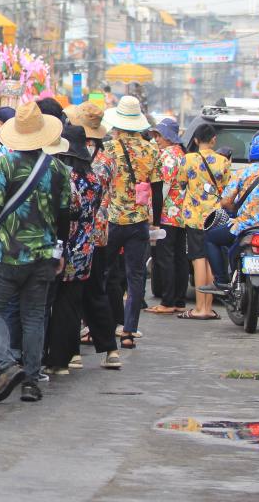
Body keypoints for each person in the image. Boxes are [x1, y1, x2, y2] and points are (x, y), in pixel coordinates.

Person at [0, 102, 72, 405]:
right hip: (43, 254)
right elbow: (64, 215)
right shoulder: (58, 170)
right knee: (34, 317)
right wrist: (60, 250)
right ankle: (32, 383)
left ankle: (7, 364)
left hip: (6, 253)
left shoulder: (5, 165)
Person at [200, 131, 259, 330]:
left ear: (252, 149)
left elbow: (226, 201)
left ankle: (221, 281)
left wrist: (233, 209)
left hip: (244, 228)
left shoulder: (242, 173)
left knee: (210, 238)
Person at [45, 125, 121, 373]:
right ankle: (67, 358)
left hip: (62, 245)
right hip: (86, 246)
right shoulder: (93, 179)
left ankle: (58, 358)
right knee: (73, 303)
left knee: (56, 304)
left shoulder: (64, 178)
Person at [101, 96, 162, 351]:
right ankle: (128, 331)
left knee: (105, 273)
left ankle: (104, 325)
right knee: (136, 276)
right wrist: (156, 222)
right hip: (139, 221)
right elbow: (157, 190)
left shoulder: (108, 149)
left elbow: (101, 183)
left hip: (112, 219)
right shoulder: (152, 150)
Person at [175, 123, 230, 321]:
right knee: (211, 261)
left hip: (194, 216)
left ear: (196, 140)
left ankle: (200, 308)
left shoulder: (187, 159)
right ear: (214, 140)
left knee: (198, 259)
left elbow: (181, 183)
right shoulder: (223, 161)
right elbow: (227, 188)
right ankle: (208, 307)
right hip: (215, 217)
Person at [148, 118, 189, 315]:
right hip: (182, 214)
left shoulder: (167, 156)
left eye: (159, 135)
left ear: (168, 137)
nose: (157, 139)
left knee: (165, 258)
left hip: (167, 214)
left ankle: (167, 301)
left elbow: (162, 189)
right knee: (180, 257)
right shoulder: (182, 154)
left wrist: (154, 216)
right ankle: (179, 300)